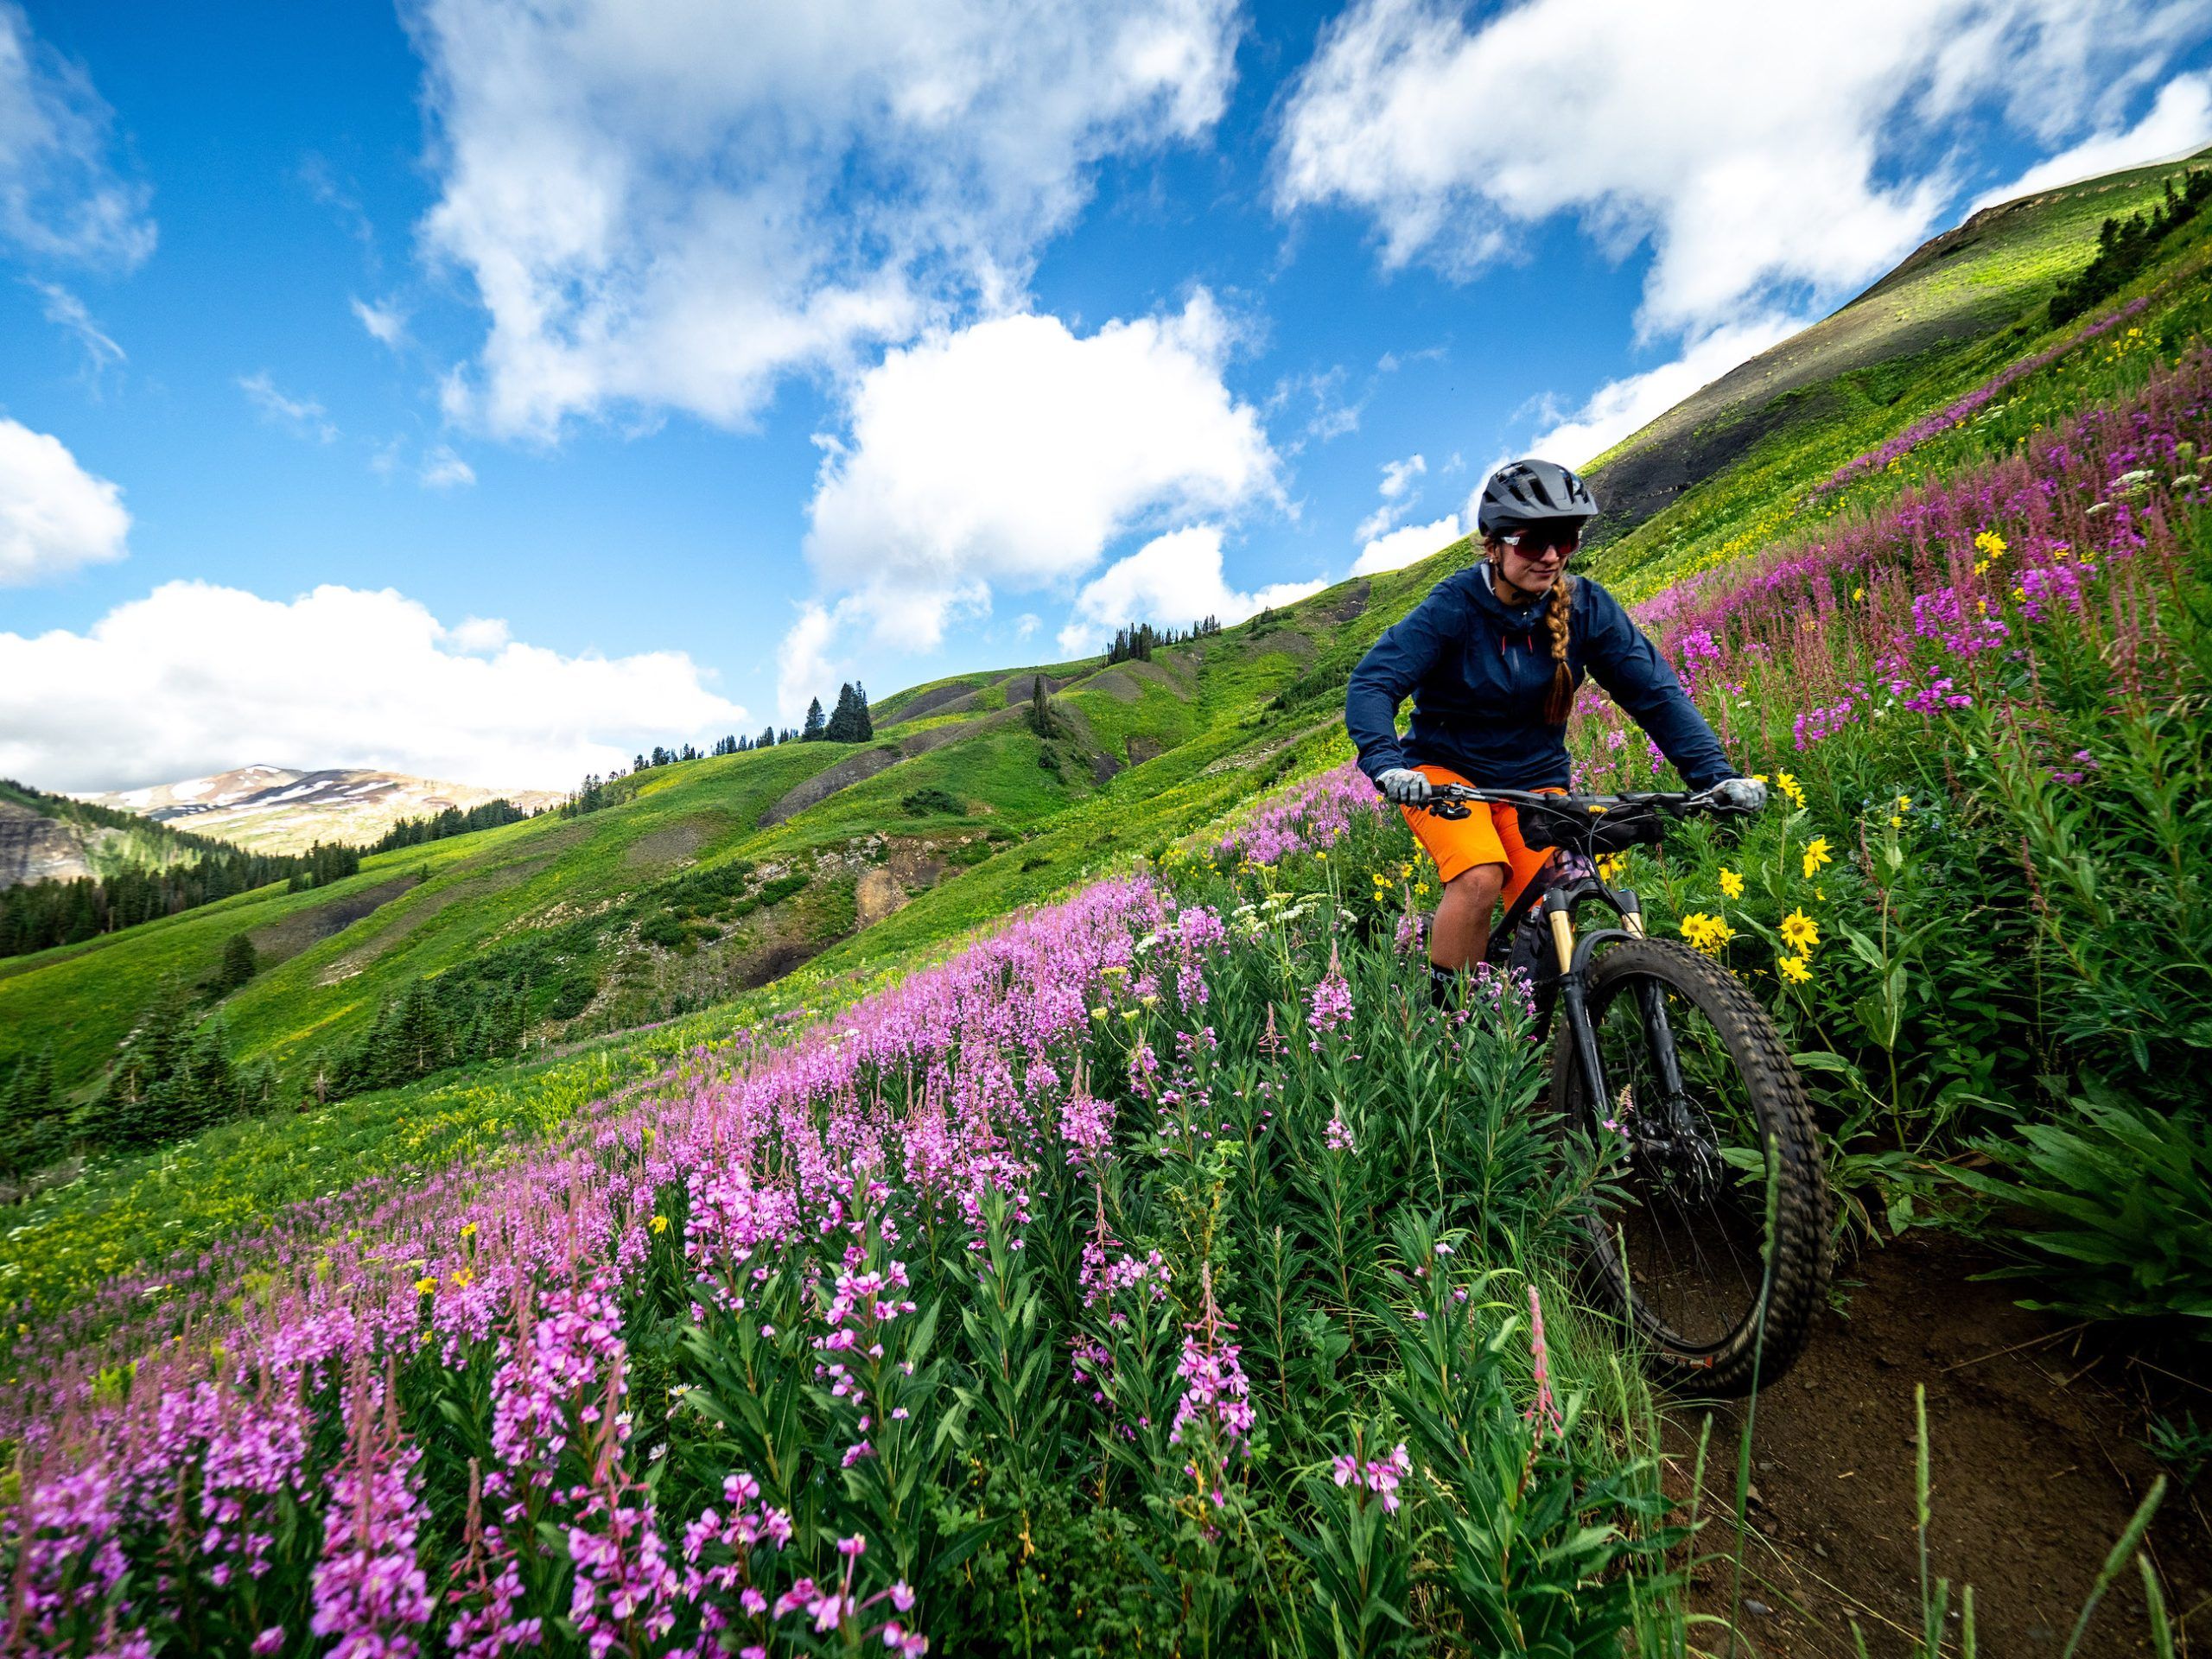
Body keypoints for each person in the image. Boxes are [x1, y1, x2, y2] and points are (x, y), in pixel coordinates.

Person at [1344, 458, 1764, 1002]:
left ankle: (1547, 1043)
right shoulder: (1452, 608)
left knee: (1553, 903)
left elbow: (1655, 695)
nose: (1550, 557)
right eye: (1531, 542)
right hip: (1443, 774)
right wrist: (1387, 764)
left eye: (1564, 540)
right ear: (1492, 544)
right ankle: (1451, 1034)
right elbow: (1373, 683)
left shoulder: (1587, 607)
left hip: (1536, 783)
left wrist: (1715, 777)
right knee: (1479, 878)